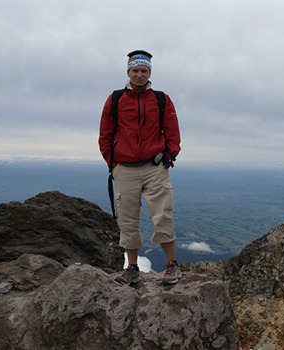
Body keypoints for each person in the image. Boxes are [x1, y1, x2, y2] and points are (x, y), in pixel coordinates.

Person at [99, 50, 181, 285]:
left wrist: (169, 156)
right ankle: (132, 268)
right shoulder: (115, 99)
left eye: (144, 71)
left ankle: (172, 266)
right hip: (124, 168)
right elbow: (105, 134)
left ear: (149, 73)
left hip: (155, 166)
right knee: (127, 218)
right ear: (128, 72)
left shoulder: (161, 99)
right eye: (135, 70)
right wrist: (113, 163)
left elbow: (172, 132)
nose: (139, 75)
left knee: (163, 214)